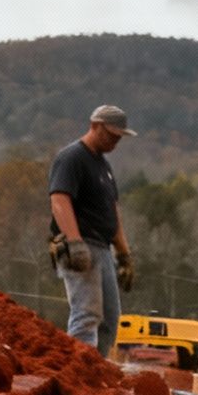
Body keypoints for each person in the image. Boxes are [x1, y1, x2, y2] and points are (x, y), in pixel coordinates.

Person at [47, 104, 138, 356]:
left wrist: (124, 254)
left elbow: (112, 211)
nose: (115, 141)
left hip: (102, 248)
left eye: (119, 137)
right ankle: (78, 371)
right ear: (94, 126)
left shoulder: (104, 166)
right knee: (86, 313)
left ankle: (96, 372)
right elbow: (59, 199)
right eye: (111, 135)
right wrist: (75, 243)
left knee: (110, 318)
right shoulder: (72, 157)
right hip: (82, 245)